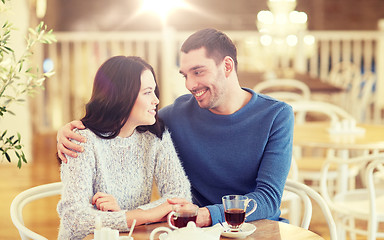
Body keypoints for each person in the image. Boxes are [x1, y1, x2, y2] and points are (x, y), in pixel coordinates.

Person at [57, 28, 294, 228]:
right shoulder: (175, 116)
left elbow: (268, 199)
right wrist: (69, 131)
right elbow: (126, 119)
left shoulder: (276, 115)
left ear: (228, 66)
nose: (190, 85)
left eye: (198, 72)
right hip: (194, 231)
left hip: (256, 227)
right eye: (185, 75)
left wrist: (205, 215)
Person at [56, 56, 191, 240]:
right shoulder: (80, 140)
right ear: (121, 96)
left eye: (154, 91)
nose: (156, 99)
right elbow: (74, 219)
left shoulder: (156, 137)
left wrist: (123, 214)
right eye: (147, 92)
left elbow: (181, 197)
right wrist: (145, 215)